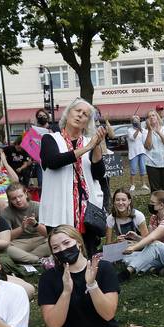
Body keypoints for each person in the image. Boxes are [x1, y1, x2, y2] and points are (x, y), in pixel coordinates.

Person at [34, 225, 151, 327]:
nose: (62, 249)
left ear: (78, 242)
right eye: (55, 247)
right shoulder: (49, 278)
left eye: (66, 243)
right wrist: (66, 292)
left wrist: (92, 285)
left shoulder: (103, 268)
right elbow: (54, 325)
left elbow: (108, 314)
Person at [39, 97, 107, 257]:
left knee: (88, 252)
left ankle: (89, 280)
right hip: (59, 207)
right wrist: (88, 147)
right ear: (68, 113)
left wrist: (96, 146)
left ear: (87, 122)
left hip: (86, 209)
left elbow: (99, 174)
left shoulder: (91, 142)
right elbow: (53, 161)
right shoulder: (50, 139)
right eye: (77, 111)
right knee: (63, 253)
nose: (80, 115)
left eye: (85, 114)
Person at [118, 191, 164, 281]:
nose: (150, 204)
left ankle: (127, 273)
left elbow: (152, 239)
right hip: (161, 255)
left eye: (152, 203)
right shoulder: (154, 217)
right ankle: (156, 269)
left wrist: (133, 247)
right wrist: (136, 237)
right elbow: (150, 241)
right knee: (127, 257)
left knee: (154, 245)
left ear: (161, 205)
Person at [2, 183, 50, 265]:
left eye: (20, 196)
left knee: (53, 242)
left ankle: (24, 258)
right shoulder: (6, 212)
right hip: (20, 242)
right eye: (14, 198)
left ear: (26, 194)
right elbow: (7, 237)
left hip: (39, 240)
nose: (18, 200)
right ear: (9, 200)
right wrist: (21, 228)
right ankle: (38, 260)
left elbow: (48, 233)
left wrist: (36, 224)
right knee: (5, 248)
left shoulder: (38, 207)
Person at [143, 109, 164, 192]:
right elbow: (148, 147)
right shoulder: (145, 132)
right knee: (155, 189)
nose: (152, 117)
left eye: (153, 115)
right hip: (152, 164)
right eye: (149, 116)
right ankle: (156, 204)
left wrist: (158, 132)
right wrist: (150, 130)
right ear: (147, 120)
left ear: (157, 117)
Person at [126, 114, 148, 193]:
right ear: (131, 121)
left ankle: (144, 184)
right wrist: (138, 129)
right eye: (134, 120)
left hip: (142, 151)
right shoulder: (129, 130)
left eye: (137, 119)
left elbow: (146, 140)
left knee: (143, 168)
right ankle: (132, 185)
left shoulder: (143, 130)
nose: (136, 121)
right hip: (133, 152)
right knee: (133, 169)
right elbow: (132, 138)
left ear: (139, 121)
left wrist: (141, 129)